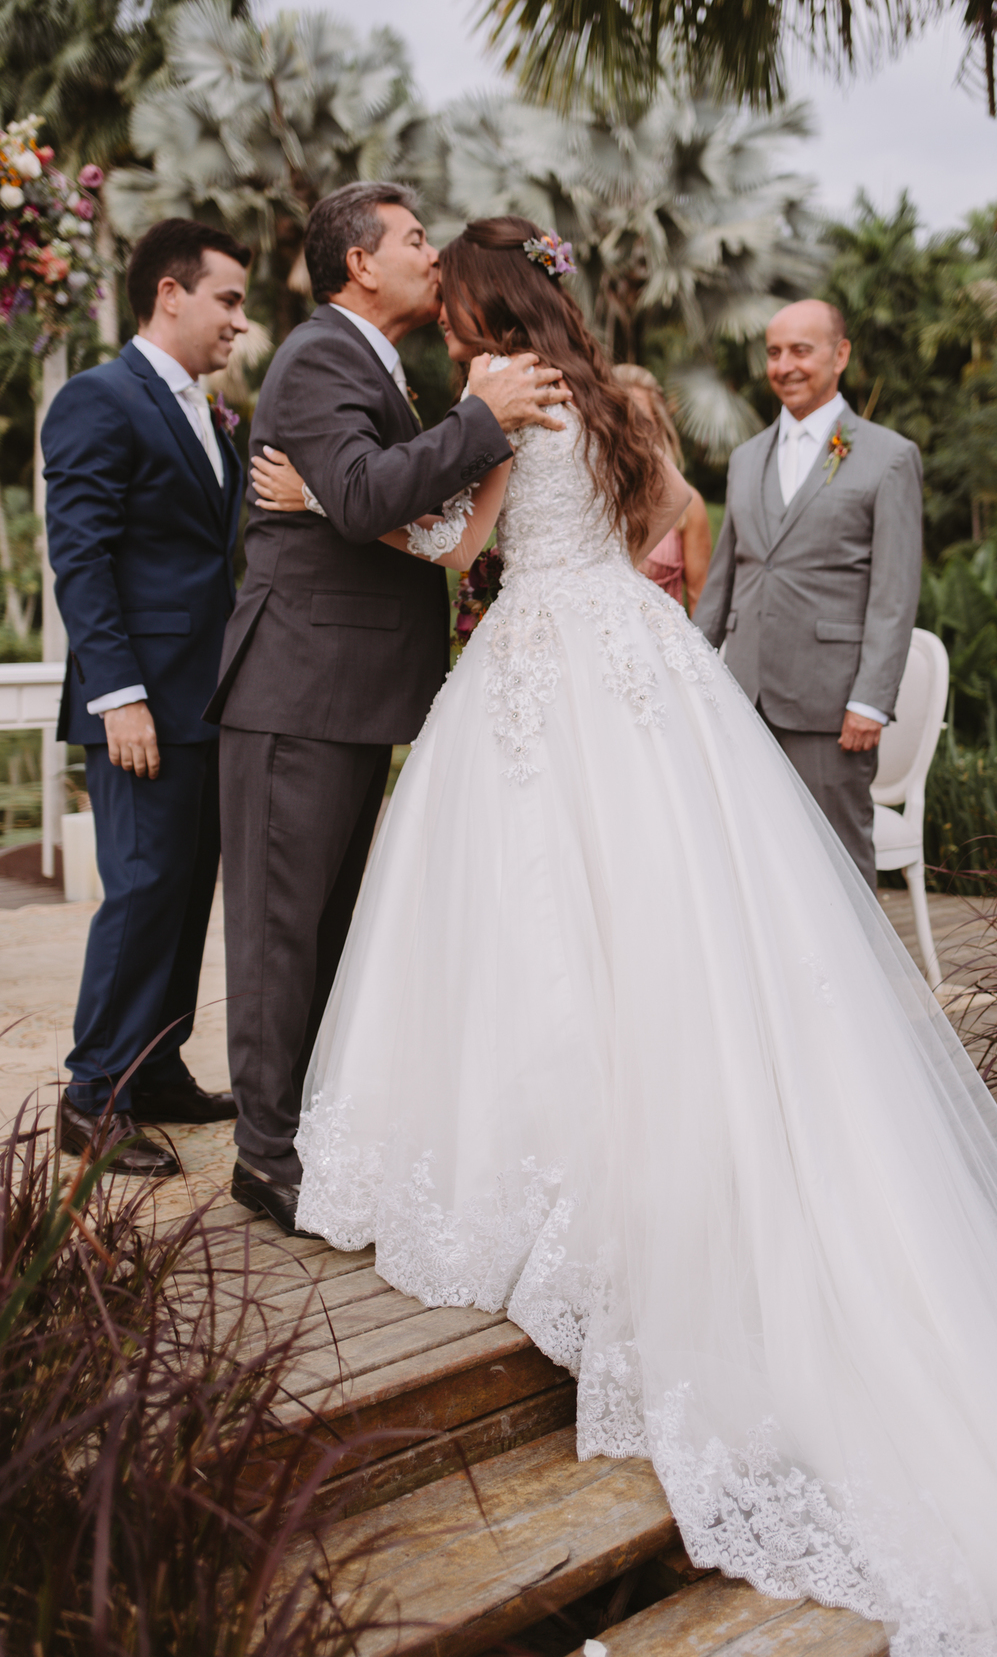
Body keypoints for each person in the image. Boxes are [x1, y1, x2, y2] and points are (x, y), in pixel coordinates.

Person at [250, 214, 997, 1653]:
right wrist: (622, 582)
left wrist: (320, 499)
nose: (444, 316)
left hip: (540, 664)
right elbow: (680, 523)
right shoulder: (619, 395)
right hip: (637, 665)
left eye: (456, 300)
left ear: (488, 312)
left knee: (535, 911)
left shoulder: (501, 405)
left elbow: (451, 550)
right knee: (672, 902)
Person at [204, 182, 571, 1237]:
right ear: (359, 262)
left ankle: (308, 1132)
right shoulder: (320, 356)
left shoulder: (378, 367)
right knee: (282, 933)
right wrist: (479, 418)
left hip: (351, 693)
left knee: (325, 927)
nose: (432, 255)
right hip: (298, 688)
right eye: (415, 239)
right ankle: (267, 1158)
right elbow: (370, 495)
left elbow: (384, 508)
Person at [43, 218, 250, 1175]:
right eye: (229, 300)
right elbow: (80, 557)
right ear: (171, 292)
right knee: (139, 893)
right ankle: (93, 1096)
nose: (240, 323)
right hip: (139, 703)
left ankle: (156, 1068)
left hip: (205, 700)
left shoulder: (211, 414)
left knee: (181, 891)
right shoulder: (99, 399)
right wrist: (118, 694)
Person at [693, 302, 923, 889]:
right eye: (774, 352)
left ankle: (858, 982)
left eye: (802, 350)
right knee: (752, 863)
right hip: (743, 701)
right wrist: (690, 675)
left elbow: (894, 593)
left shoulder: (889, 457)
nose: (785, 365)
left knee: (838, 866)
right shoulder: (746, 459)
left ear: (840, 355)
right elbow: (724, 579)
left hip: (831, 704)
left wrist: (870, 701)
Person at [613, 364, 711, 613]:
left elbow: (701, 600)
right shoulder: (581, 498)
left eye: (640, 420)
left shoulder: (688, 505)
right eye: (617, 417)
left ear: (657, 426)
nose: (629, 430)